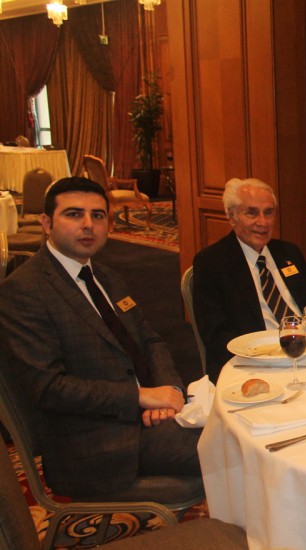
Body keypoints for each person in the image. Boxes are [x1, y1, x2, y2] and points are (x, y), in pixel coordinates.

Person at [0, 177, 201, 498]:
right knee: (229, 449)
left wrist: (170, 392)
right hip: (95, 444)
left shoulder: (107, 277)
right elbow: (49, 389)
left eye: (97, 215)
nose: (88, 225)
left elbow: (150, 341)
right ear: (47, 224)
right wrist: (139, 397)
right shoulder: (25, 290)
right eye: (73, 214)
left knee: (243, 427)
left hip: (149, 417)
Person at [192, 178, 306, 381]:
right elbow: (216, 334)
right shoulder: (212, 263)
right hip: (255, 365)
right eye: (252, 213)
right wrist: (271, 356)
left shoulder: (288, 252)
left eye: (268, 212)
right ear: (231, 216)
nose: (262, 222)